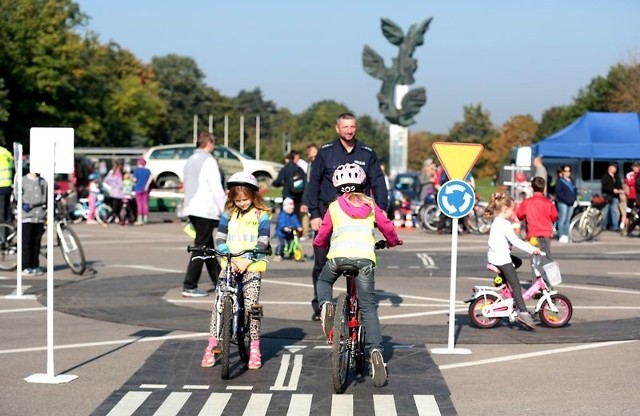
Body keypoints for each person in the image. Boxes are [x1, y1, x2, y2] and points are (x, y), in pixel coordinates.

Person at [314, 163, 402, 387]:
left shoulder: (334, 207)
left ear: (338, 187)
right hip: (364, 261)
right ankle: (375, 353)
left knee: (323, 280)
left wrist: (319, 243)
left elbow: (323, 233)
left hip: (337, 258)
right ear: (364, 185)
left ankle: (325, 305)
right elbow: (388, 228)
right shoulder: (371, 206)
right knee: (368, 307)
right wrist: (392, 241)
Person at [306, 112, 388, 321]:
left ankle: (357, 303)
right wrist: (314, 213)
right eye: (345, 127)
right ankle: (322, 306)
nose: (349, 131)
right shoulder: (325, 153)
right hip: (329, 214)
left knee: (358, 259)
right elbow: (313, 183)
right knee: (321, 263)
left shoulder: (367, 153)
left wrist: (382, 209)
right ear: (337, 128)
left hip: (358, 217)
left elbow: (378, 182)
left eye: (352, 127)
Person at [201, 172, 271, 370]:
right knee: (219, 304)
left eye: (245, 199)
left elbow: (263, 240)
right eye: (238, 200)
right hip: (230, 264)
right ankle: (212, 345)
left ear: (254, 196)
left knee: (252, 306)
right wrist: (227, 257)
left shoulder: (261, 214)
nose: (242, 203)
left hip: (252, 265)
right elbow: (221, 238)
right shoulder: (228, 214)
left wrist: (247, 260)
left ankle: (255, 347)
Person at [485, 192, 540, 330]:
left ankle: (503, 283)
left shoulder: (497, 222)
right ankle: (523, 312)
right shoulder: (504, 224)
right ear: (505, 209)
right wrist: (531, 249)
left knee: (517, 262)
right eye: (512, 209)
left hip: (496, 257)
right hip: (501, 259)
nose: (513, 212)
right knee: (516, 285)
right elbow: (515, 240)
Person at [182, 132, 227, 297]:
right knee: (201, 247)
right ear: (209, 143)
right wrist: (225, 210)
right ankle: (189, 284)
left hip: (192, 207)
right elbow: (216, 187)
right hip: (206, 209)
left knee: (207, 247)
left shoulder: (190, 160)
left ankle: (219, 282)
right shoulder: (209, 160)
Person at [516, 177, 558, 256]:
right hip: (546, 233)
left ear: (532, 188)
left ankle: (536, 268)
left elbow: (519, 215)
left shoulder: (527, 202)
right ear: (544, 188)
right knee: (546, 255)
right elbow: (554, 216)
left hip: (533, 233)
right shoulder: (548, 203)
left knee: (535, 254)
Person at [17, 172, 47, 276]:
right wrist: (22, 205)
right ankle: (25, 266)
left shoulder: (43, 182)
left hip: (39, 216)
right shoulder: (23, 180)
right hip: (27, 216)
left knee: (36, 243)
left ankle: (35, 265)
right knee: (26, 243)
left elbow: (46, 197)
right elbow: (17, 195)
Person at [272, 151, 306, 223]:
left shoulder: (285, 169)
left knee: (285, 216)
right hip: (298, 196)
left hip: (288, 196)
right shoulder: (299, 169)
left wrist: (273, 183)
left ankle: (286, 231)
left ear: (286, 159)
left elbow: (278, 181)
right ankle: (298, 231)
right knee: (297, 216)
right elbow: (304, 182)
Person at [554, 166, 578, 243]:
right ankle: (561, 235)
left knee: (568, 220)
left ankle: (566, 235)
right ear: (563, 172)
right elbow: (558, 192)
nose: (567, 172)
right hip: (562, 203)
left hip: (571, 203)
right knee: (562, 219)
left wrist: (574, 199)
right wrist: (565, 199)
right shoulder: (560, 181)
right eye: (566, 171)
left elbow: (575, 191)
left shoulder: (572, 181)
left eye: (569, 171)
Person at [300, 143, 319, 240]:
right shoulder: (310, 166)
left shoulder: (323, 164)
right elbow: (308, 185)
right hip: (314, 200)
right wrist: (304, 202)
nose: (314, 159)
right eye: (311, 157)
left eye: (315, 156)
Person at [274, 197, 302, 261]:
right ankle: (279, 254)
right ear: (285, 208)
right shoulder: (283, 215)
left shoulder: (293, 215)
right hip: (281, 233)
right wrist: (284, 227)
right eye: (290, 208)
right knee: (282, 244)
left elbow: (296, 221)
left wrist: (298, 226)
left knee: (291, 242)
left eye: (292, 208)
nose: (291, 209)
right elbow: (281, 222)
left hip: (290, 232)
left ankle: (292, 254)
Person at [600, 162, 623, 231]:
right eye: (614, 167)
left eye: (616, 167)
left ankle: (615, 226)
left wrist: (620, 189)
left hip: (615, 196)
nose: (615, 169)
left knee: (614, 211)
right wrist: (612, 190)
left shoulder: (616, 176)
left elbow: (619, 184)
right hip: (606, 196)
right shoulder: (605, 176)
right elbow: (604, 187)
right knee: (605, 211)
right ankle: (604, 225)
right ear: (609, 168)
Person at [132, 158, 152, 225]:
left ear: (139, 163)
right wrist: (147, 186)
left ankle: (139, 219)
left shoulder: (136, 170)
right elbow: (151, 178)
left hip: (138, 188)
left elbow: (134, 180)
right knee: (145, 203)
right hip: (145, 189)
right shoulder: (148, 170)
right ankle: (145, 219)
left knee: (139, 204)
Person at [0, 145, 13, 231]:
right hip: (7, 185)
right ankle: (7, 235)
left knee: (1, 214)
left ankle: (2, 238)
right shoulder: (5, 151)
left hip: (0, 186)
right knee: (6, 212)